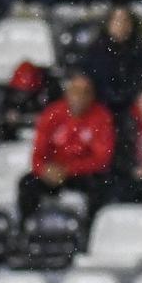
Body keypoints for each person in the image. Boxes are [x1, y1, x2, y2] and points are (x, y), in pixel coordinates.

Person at [18, 72, 115, 218]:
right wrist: (44, 169)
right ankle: (27, 229)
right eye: (75, 91)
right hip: (54, 173)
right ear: (67, 93)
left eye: (85, 92)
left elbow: (102, 159)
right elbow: (38, 154)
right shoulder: (52, 113)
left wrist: (69, 169)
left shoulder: (102, 116)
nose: (79, 97)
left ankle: (89, 232)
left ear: (92, 95)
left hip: (83, 174)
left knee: (101, 187)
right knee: (27, 183)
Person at [83, 5, 142, 115]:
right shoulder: (95, 51)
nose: (121, 25)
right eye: (117, 20)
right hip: (101, 108)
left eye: (125, 20)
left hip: (133, 109)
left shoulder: (140, 52)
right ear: (108, 24)